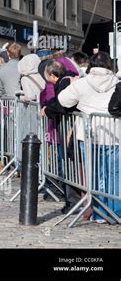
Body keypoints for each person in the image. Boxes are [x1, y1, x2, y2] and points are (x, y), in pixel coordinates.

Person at [58, 52, 120, 221]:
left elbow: (63, 100)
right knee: (114, 174)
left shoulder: (82, 83)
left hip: (88, 135)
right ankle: (115, 212)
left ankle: (99, 212)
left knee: (95, 174)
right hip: (114, 135)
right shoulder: (117, 82)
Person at [39, 60, 80, 214]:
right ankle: (72, 199)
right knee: (68, 162)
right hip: (69, 127)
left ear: (51, 75)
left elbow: (62, 104)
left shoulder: (64, 83)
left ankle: (73, 201)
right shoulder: (68, 80)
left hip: (69, 128)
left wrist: (48, 109)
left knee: (68, 163)